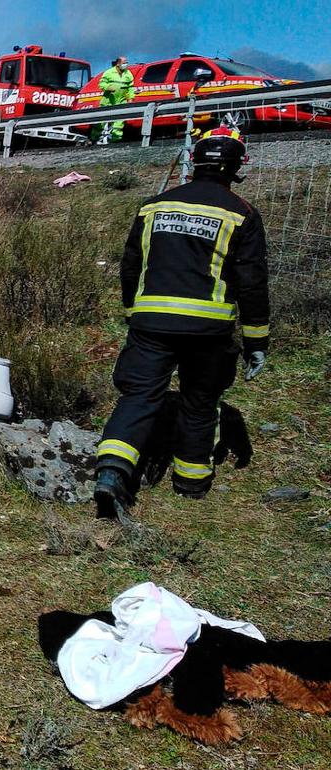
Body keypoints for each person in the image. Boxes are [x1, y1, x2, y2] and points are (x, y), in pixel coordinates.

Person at [94, 126, 269, 518]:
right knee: (200, 402)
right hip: (209, 330)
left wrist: (131, 309)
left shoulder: (154, 206)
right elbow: (252, 282)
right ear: (238, 165)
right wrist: (257, 340)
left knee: (139, 396)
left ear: (194, 160)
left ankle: (111, 471)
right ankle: (191, 483)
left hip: (151, 321)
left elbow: (130, 266)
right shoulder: (241, 213)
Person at [95, 56, 135, 145]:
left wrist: (131, 98)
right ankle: (96, 137)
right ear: (118, 63)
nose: (126, 64)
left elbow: (131, 88)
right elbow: (102, 83)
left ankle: (115, 139)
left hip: (121, 100)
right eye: (124, 62)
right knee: (102, 120)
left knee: (119, 120)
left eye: (126, 62)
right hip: (109, 99)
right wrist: (107, 87)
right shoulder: (109, 72)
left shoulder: (128, 74)